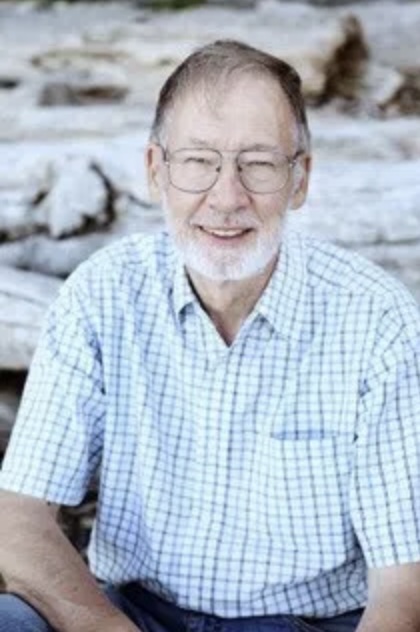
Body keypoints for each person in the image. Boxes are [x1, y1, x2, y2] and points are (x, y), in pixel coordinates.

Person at [0, 39, 420, 632]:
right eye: (199, 161)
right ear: (156, 171)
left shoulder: (378, 319)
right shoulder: (101, 294)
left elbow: (405, 586)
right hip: (132, 614)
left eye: (259, 163)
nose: (227, 197)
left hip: (305, 624)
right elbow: (18, 514)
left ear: (300, 179)